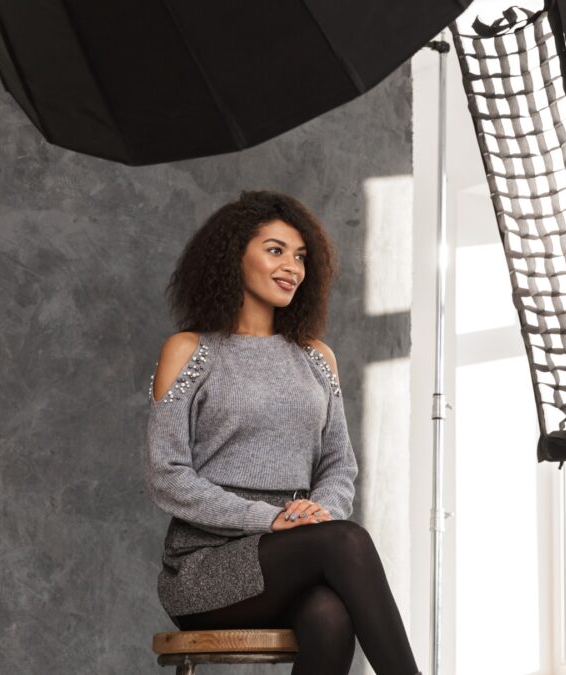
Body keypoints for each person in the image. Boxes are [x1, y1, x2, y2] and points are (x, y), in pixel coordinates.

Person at [144, 191, 420, 675]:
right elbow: (168, 476)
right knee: (345, 542)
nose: (292, 266)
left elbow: (338, 464)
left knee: (329, 616)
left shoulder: (316, 357)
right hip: (207, 565)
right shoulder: (191, 350)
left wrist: (320, 512)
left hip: (299, 548)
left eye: (300, 256)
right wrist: (267, 520)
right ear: (234, 258)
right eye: (275, 250)